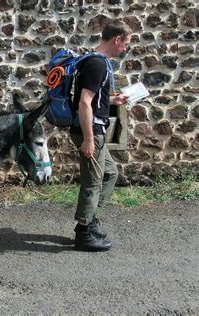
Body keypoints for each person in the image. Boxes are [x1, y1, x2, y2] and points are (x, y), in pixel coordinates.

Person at [70, 20, 132, 251]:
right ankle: (84, 233)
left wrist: (114, 101)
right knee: (92, 181)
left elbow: (92, 100)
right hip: (90, 132)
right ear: (116, 39)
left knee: (110, 173)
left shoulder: (95, 62)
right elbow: (84, 103)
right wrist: (87, 139)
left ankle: (90, 218)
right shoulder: (97, 64)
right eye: (125, 43)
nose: (125, 48)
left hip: (95, 131)